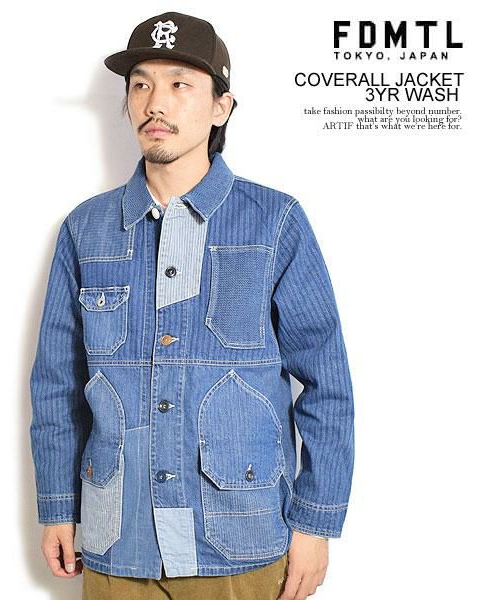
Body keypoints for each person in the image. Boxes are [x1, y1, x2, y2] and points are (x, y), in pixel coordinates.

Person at [29, 11, 355, 600]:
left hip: (240, 543)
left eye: (180, 84)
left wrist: (316, 522)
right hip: (117, 541)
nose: (156, 103)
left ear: (220, 107)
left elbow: (326, 383)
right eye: (141, 85)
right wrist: (56, 504)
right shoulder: (86, 230)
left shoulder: (275, 223)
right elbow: (57, 383)